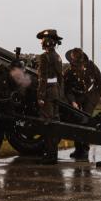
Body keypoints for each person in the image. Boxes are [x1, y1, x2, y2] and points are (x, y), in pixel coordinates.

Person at [63, 47, 101, 161]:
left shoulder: (90, 66)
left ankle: (85, 149)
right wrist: (73, 101)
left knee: (85, 121)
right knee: (77, 121)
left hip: (91, 96)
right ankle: (78, 149)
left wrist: (99, 95)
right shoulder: (69, 71)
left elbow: (99, 79)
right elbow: (67, 89)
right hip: (77, 97)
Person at [36, 29, 65, 164]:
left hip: (47, 92)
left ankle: (49, 156)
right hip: (55, 92)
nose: (41, 42)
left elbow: (42, 78)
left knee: (48, 124)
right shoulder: (57, 56)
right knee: (54, 122)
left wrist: (40, 96)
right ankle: (53, 154)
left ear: (48, 42)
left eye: (43, 40)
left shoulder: (44, 57)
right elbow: (60, 78)